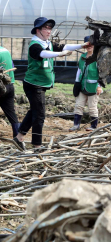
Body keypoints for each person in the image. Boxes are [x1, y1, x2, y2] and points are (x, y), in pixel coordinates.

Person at [14, 17, 91, 151]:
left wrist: (82, 46)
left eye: (50, 28)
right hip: (34, 84)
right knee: (39, 115)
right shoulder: (35, 45)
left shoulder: (46, 43)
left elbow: (64, 46)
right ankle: (37, 145)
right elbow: (43, 54)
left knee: (34, 111)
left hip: (40, 84)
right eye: (46, 28)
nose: (49, 31)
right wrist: (60, 54)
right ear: (38, 30)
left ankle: (19, 137)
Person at [69, 36, 102, 132]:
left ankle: (94, 126)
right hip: (82, 85)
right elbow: (79, 70)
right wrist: (76, 82)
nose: (89, 47)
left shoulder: (98, 57)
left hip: (94, 86)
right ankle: (76, 125)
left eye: (91, 45)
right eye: (87, 45)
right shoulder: (83, 56)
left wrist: (100, 86)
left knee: (92, 107)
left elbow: (102, 73)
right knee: (79, 105)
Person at [0, 46, 20, 138]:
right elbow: (11, 65)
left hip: (1, 87)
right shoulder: (5, 50)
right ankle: (18, 137)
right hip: (10, 86)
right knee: (11, 114)